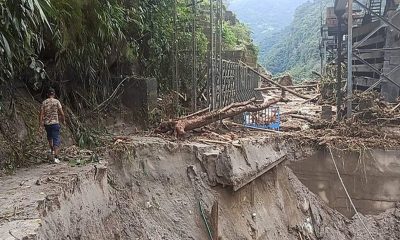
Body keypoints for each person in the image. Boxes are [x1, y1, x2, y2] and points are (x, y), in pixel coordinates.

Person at [39, 88, 65, 163]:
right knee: (56, 139)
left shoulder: (44, 102)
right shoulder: (57, 101)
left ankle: (52, 151)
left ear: (47, 94)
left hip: (47, 124)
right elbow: (62, 113)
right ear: (54, 94)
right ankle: (56, 158)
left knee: (49, 138)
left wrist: (40, 124)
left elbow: (41, 114)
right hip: (55, 123)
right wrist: (63, 120)